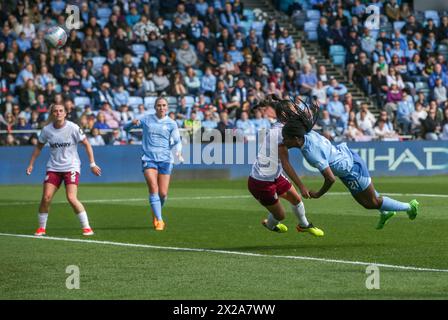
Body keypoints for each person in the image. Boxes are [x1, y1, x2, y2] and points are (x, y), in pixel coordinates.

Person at [280, 100, 419, 230]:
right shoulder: (307, 133)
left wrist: (318, 194)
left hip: (352, 169)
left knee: (371, 203)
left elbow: (330, 179)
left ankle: (409, 207)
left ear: (297, 139)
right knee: (367, 198)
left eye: (286, 139)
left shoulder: (311, 152)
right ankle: (386, 212)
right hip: (345, 163)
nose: (284, 142)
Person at [247, 97, 324, 236]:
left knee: (296, 200)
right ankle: (270, 225)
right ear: (285, 115)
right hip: (261, 182)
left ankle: (304, 225)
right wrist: (302, 186)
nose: (297, 112)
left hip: (274, 175)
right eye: (294, 110)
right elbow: (286, 164)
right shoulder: (280, 133)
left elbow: (281, 107)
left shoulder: (284, 126)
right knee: (280, 216)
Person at [26, 104, 102, 236]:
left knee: (71, 198)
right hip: (53, 167)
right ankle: (41, 228)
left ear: (65, 113)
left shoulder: (73, 128)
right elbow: (38, 147)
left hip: (71, 167)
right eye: (55, 111)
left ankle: (87, 227)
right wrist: (31, 164)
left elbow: (87, 144)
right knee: (46, 197)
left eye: (61, 111)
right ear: (52, 114)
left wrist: (92, 164)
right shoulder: (46, 130)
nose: (58, 113)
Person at [123, 97, 183, 231]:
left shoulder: (172, 123)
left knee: (163, 193)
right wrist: (131, 123)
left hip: (166, 160)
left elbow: (177, 141)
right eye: (159, 105)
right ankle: (160, 220)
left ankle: (156, 212)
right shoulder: (146, 119)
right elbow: (125, 128)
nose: (161, 108)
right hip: (148, 158)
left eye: (164, 105)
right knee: (153, 187)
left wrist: (178, 152)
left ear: (167, 107)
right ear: (155, 107)